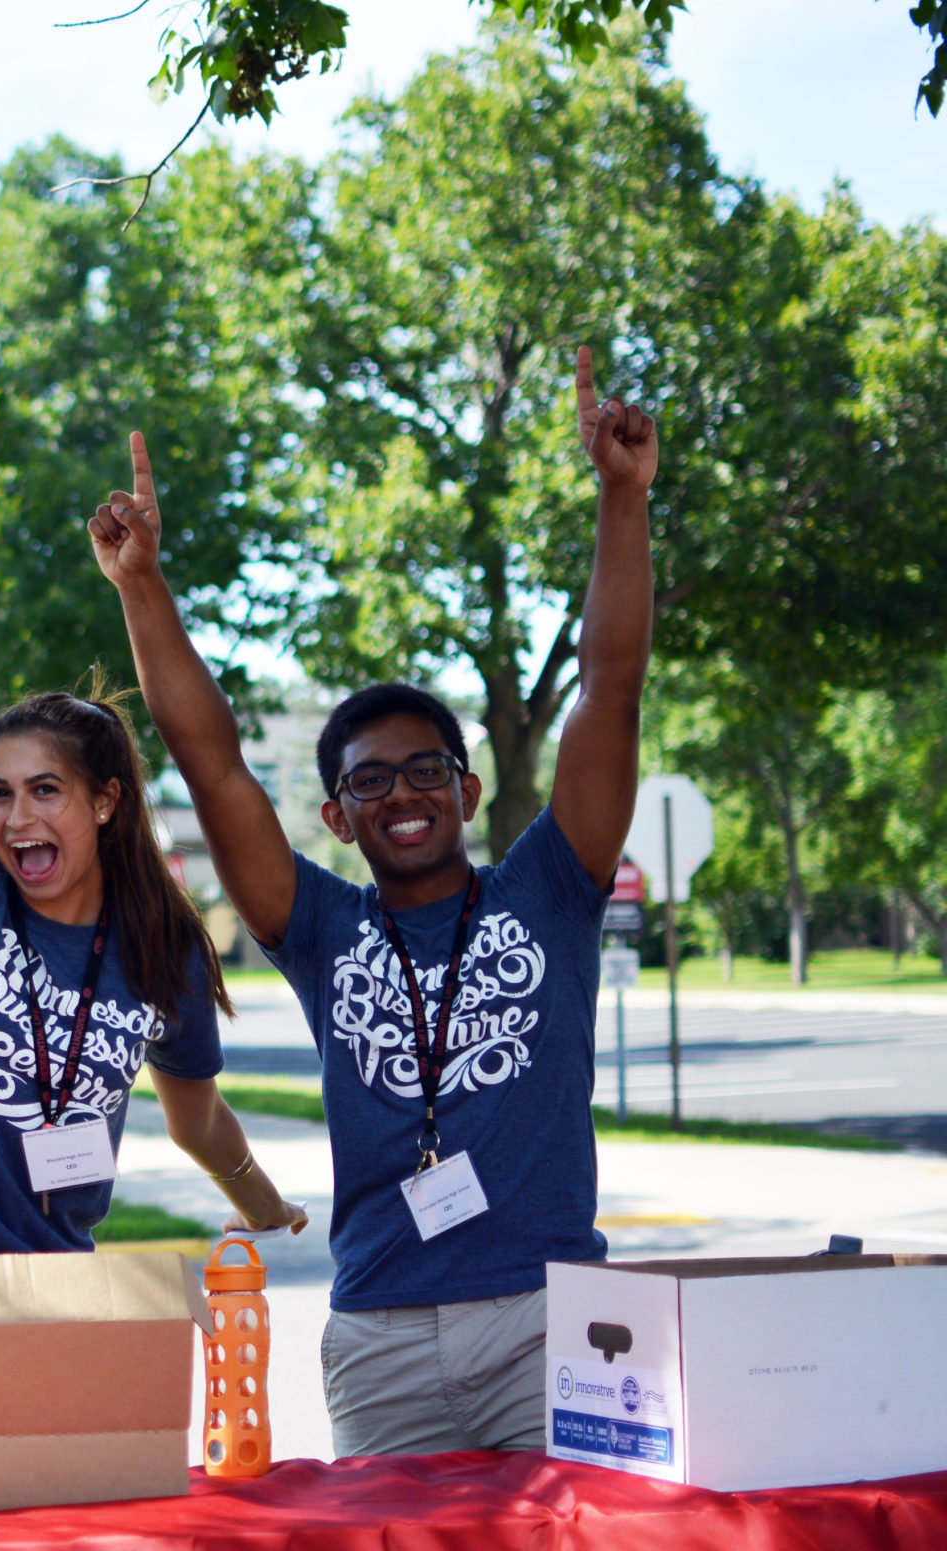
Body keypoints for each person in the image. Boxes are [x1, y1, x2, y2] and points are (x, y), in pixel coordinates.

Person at [88, 346, 657, 1456]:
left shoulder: (551, 888)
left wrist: (620, 502)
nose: (402, 793)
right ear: (339, 816)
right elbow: (211, 764)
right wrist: (142, 587)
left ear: (467, 789)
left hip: (547, 1320)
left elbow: (611, 687)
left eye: (425, 770)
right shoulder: (320, 927)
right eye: (369, 780)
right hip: (378, 1339)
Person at [0, 325, 309, 1451]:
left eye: (45, 793)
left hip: (51, 1302)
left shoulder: (157, 951)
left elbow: (197, 1117)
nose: (16, 817)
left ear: (108, 802)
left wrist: (261, 1202)